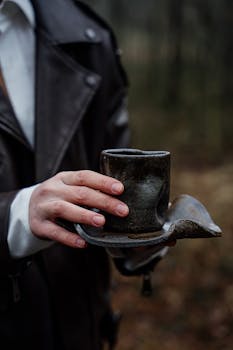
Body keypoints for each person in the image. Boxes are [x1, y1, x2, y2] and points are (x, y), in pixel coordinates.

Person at [0, 0, 170, 349]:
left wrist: (141, 237)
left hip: (82, 328)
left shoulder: (87, 35)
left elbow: (115, 169)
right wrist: (16, 215)